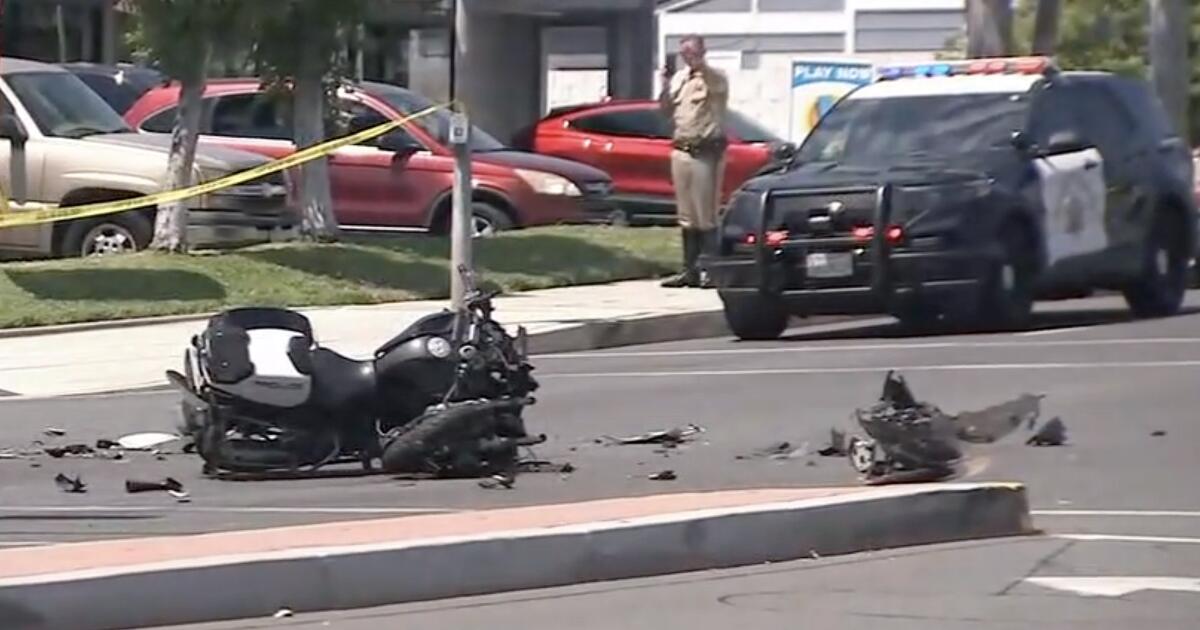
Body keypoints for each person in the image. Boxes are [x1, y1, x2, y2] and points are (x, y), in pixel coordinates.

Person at [658, 34, 730, 289]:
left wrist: (700, 65)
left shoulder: (715, 78)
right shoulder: (680, 79)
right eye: (684, 52)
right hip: (681, 150)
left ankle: (711, 271)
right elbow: (666, 109)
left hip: (705, 152)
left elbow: (711, 81)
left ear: (702, 52)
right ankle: (688, 270)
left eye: (692, 52)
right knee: (686, 216)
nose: (687, 57)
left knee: (706, 216)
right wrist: (665, 84)